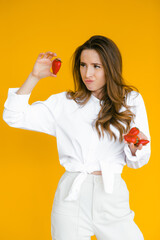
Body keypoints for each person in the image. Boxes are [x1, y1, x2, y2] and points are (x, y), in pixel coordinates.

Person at [3, 35, 151, 240]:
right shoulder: (65, 103)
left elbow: (140, 159)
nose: (87, 73)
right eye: (83, 65)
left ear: (110, 67)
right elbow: (13, 116)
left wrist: (136, 149)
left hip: (111, 197)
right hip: (70, 199)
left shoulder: (130, 101)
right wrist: (34, 76)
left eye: (96, 66)